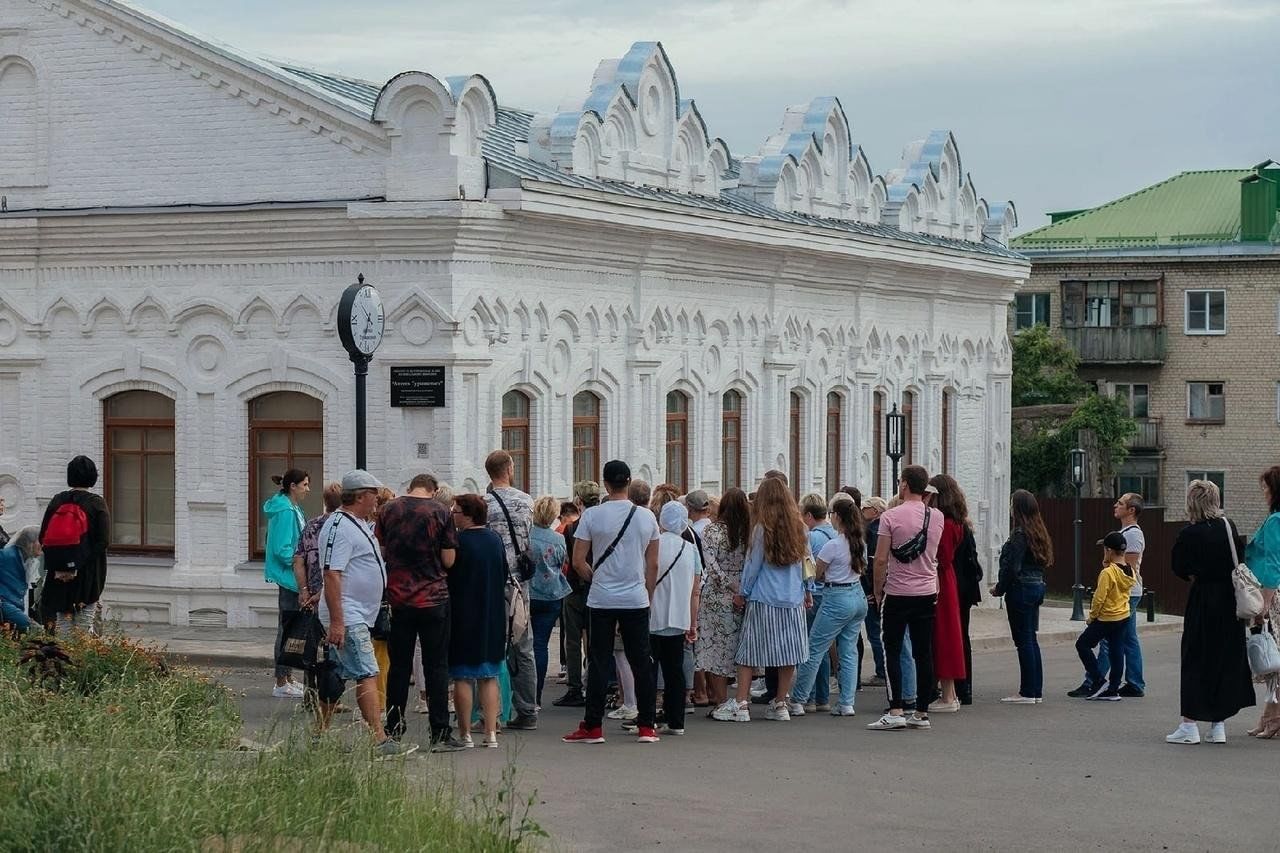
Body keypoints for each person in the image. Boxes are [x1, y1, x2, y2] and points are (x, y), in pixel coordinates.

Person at [316, 470, 417, 758]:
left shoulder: (357, 523)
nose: (377, 499)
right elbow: (332, 573)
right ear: (360, 496)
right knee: (367, 671)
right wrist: (338, 621)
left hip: (356, 612)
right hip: (348, 614)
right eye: (374, 493)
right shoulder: (339, 526)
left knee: (336, 673)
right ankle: (378, 737)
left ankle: (320, 733)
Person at [563, 460, 661, 744]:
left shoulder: (593, 516)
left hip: (602, 598)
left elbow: (578, 561)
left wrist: (596, 578)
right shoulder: (646, 518)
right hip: (636, 598)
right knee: (641, 660)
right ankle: (647, 725)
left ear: (605, 484)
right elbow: (652, 564)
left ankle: (593, 726)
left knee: (599, 660)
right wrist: (647, 594)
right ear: (628, 483)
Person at [713, 476, 809, 723]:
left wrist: (742, 593)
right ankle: (781, 703)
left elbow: (752, 567)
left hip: (764, 597)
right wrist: (808, 590)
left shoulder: (760, 530)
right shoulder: (800, 528)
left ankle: (742, 704)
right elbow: (806, 564)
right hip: (792, 598)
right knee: (788, 653)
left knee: (749, 651)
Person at [1167, 479, 1255, 744]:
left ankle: (1189, 725)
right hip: (1230, 600)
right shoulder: (1228, 527)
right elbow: (1240, 558)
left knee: (1195, 657)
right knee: (1224, 659)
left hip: (1204, 598)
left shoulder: (1189, 533)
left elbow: (1179, 567)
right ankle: (1218, 725)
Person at [376, 473, 459, 751]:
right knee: (436, 666)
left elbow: (382, 549)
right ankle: (439, 733)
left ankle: (394, 727)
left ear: (410, 486)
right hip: (433, 597)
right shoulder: (440, 511)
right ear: (433, 491)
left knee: (399, 667)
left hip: (399, 599)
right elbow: (448, 558)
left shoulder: (388, 509)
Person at [868, 465, 943, 731]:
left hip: (898, 591)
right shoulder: (936, 517)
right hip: (926, 590)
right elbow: (933, 554)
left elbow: (880, 559)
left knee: (893, 649)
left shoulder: (890, 516)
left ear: (904, 485)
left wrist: (878, 590)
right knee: (924, 652)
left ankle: (896, 708)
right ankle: (921, 711)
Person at [788, 494, 868, 717]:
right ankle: (846, 703)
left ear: (838, 518)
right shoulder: (858, 543)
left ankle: (798, 699)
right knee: (848, 651)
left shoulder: (833, 546)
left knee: (814, 648)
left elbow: (816, 573)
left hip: (836, 597)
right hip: (857, 595)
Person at [442, 493, 509, 749]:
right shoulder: (495, 540)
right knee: (489, 675)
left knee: (462, 676)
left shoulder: (458, 542)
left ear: (468, 514)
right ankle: (491, 733)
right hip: (492, 614)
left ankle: (465, 733)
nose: (453, 515)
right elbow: (503, 573)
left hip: (462, 614)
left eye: (456, 511)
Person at [483, 450, 538, 731]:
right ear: (510, 468)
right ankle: (527, 710)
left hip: (491, 582)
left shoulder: (484, 504)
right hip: (520, 584)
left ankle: (490, 713)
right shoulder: (526, 501)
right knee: (522, 646)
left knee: (490, 646)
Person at [644, 501, 701, 735]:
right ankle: (676, 720)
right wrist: (693, 622)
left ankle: (646, 719)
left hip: (651, 615)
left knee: (648, 669)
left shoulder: (652, 545)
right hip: (679, 617)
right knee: (674, 671)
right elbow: (695, 590)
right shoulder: (691, 550)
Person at [990, 489, 1050, 704]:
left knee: (1023, 640)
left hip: (1021, 589)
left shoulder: (1019, 535)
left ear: (1018, 508)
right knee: (1031, 639)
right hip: (1036, 585)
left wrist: (1000, 588)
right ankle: (1035, 690)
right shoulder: (1038, 532)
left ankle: (1026, 691)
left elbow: (1012, 567)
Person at [39, 455, 110, 634]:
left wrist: (62, 566)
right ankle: (79, 660)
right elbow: (103, 541)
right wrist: (79, 565)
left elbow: (43, 537)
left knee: (63, 624)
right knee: (84, 626)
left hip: (58, 575)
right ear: (93, 476)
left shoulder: (57, 500)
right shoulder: (96, 503)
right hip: (88, 576)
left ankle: (64, 658)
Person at [696, 488, 750, 710]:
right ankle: (740, 698)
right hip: (744, 593)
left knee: (714, 647)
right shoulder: (749, 532)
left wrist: (729, 586)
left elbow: (711, 566)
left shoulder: (711, 531)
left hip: (716, 595)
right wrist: (742, 589)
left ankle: (719, 699)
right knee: (738, 647)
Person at [292, 481, 343, 709]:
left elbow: (298, 560)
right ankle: (330, 698)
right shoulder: (340, 527)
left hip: (311, 596)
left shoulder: (311, 525)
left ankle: (309, 695)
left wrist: (304, 591)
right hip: (331, 597)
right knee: (331, 649)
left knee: (310, 647)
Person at [553, 481, 602, 708]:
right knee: (596, 639)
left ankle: (575, 687)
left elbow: (570, 561)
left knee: (572, 640)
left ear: (579, 501)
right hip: (599, 588)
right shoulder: (604, 524)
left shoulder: (572, 529)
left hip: (575, 587)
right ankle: (595, 682)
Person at [1073, 532, 1136, 702]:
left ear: (1108, 551)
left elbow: (1099, 598)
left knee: (1082, 644)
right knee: (1117, 651)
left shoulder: (1108, 573)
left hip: (1107, 617)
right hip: (1123, 615)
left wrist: (1092, 617)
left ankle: (1098, 680)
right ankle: (1113, 689)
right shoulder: (1130, 571)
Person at [1094, 493, 1147, 698]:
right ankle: (1134, 682)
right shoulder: (1125, 532)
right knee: (1128, 638)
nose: (1115, 505)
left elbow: (1128, 567)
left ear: (1131, 510)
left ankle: (1096, 680)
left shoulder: (1133, 534)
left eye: (1121, 503)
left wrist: (1108, 563)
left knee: (1110, 637)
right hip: (1127, 592)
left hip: (1126, 593)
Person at [264, 469, 309, 699]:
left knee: (294, 630)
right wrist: (301, 560)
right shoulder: (284, 510)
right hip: (290, 577)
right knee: (287, 629)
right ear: (293, 486)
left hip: (294, 576)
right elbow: (283, 549)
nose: (307, 489)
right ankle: (281, 681)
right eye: (304, 485)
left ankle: (288, 678)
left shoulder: (291, 508)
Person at [927, 474, 968, 713]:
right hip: (946, 576)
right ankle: (949, 692)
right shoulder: (957, 521)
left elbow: (940, 554)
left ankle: (948, 695)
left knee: (943, 635)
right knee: (948, 634)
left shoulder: (944, 523)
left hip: (939, 576)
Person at [1244, 466, 1280, 738]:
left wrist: (1264, 605)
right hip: (1273, 590)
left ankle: (1274, 717)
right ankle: (1269, 715)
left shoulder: (1276, 521)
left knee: (1274, 657)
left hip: (1273, 593)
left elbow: (1272, 563)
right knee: (1274, 659)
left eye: (1266, 487)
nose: (1264, 492)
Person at [528, 495, 570, 707]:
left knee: (521, 645)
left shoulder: (526, 536)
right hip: (552, 594)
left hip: (528, 593)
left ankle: (523, 691)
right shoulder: (558, 539)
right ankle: (537, 695)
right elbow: (562, 563)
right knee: (541, 644)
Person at [798, 492, 835, 712]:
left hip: (816, 594)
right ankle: (822, 696)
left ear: (809, 515)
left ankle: (808, 696)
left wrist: (807, 588)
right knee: (823, 647)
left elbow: (808, 567)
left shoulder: (813, 537)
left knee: (810, 647)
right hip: (830, 594)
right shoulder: (835, 534)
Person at [858, 496, 889, 688]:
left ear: (875, 511)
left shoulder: (873, 530)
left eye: (866, 508)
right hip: (879, 587)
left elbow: (874, 562)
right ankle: (883, 670)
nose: (863, 511)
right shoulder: (877, 528)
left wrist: (871, 589)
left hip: (872, 588)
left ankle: (881, 671)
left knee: (875, 631)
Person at [0, 527, 40, 633]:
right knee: (35, 630)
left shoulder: (28, 560)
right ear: (29, 543)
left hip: (14, 605)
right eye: (39, 540)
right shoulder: (7, 555)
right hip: (3, 603)